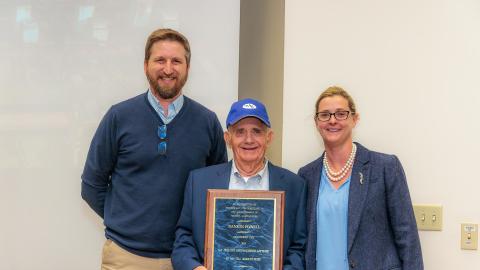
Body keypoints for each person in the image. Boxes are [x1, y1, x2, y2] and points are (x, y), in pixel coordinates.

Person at [81, 28, 227, 270]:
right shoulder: (119, 117)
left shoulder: (207, 122)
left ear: (188, 68)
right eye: (160, 60)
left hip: (187, 259)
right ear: (146, 65)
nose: (168, 69)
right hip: (125, 257)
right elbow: (91, 185)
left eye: (176, 61)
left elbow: (216, 190)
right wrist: (123, 221)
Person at [172, 98, 307, 270]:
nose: (248, 140)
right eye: (240, 132)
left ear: (269, 137)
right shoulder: (199, 182)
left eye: (257, 131)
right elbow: (184, 239)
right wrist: (194, 268)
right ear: (228, 138)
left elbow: (299, 248)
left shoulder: (294, 185)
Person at [298, 86, 423, 270]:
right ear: (317, 122)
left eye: (341, 114)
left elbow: (408, 238)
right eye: (325, 115)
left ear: (355, 119)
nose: (332, 120)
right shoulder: (306, 175)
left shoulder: (385, 167)